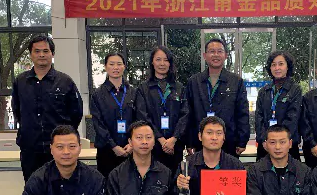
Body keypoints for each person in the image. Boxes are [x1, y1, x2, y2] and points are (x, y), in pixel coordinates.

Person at [12, 35, 83, 182]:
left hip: (59, 149)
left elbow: (76, 113)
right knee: (33, 188)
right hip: (30, 148)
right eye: (37, 51)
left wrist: (63, 136)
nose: (42, 55)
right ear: (31, 54)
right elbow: (17, 111)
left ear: (53, 54)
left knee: (61, 188)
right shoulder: (21, 82)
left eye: (46, 51)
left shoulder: (65, 81)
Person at [185, 38, 250, 157]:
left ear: (225, 55)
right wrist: (189, 142)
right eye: (212, 51)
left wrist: (242, 140)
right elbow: (188, 113)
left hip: (229, 141)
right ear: (205, 55)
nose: (216, 55)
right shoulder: (194, 82)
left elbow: (242, 113)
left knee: (228, 169)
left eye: (219, 51)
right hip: (200, 142)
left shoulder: (236, 81)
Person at [136, 46, 190, 176]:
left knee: (175, 179)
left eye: (166, 60)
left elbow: (185, 114)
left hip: (175, 146)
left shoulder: (179, 87)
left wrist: (173, 139)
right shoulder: (143, 88)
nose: (162, 63)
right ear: (152, 62)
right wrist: (160, 139)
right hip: (152, 145)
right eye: (158, 59)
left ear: (170, 63)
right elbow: (143, 116)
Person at [91, 52, 138, 180]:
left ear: (124, 66)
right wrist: (113, 146)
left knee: (130, 184)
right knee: (108, 185)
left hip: (131, 149)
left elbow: (138, 120)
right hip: (107, 150)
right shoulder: (98, 95)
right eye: (111, 64)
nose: (115, 67)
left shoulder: (133, 92)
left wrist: (132, 143)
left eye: (119, 64)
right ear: (105, 67)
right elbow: (98, 124)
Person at [255, 51, 302, 161]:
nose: (277, 68)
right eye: (273, 65)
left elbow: (293, 117)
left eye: (281, 64)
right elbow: (259, 118)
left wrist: (278, 140)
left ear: (287, 67)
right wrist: (265, 140)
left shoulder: (295, 90)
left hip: (287, 145)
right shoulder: (264, 91)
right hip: (266, 145)